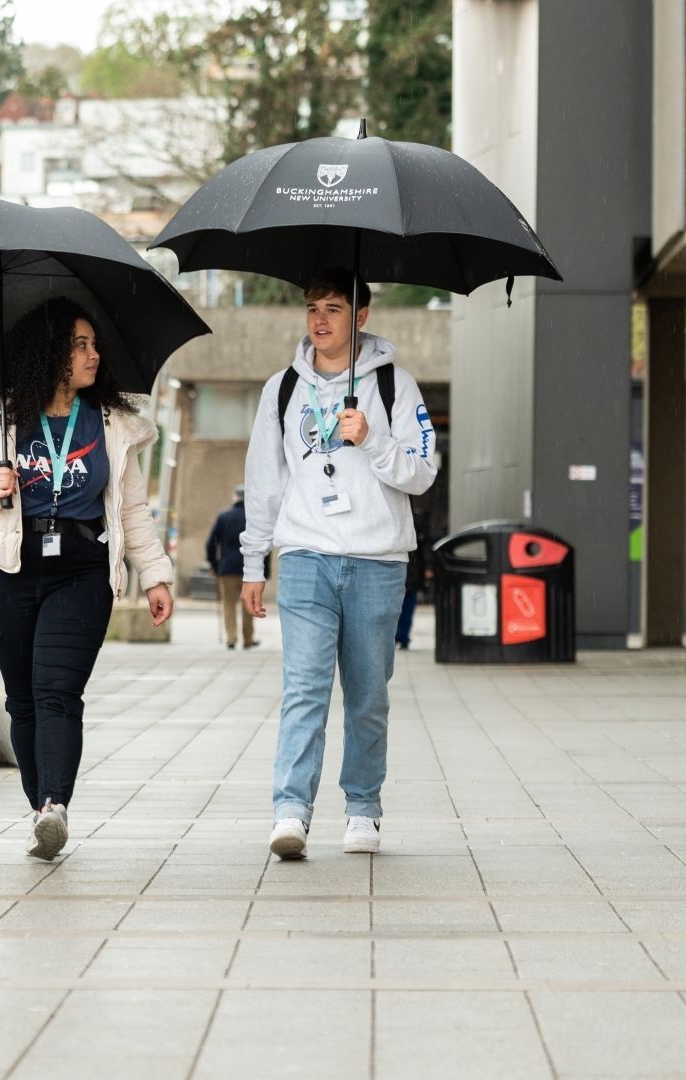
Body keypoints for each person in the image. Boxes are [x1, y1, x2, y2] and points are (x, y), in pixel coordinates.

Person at [0, 296, 175, 861]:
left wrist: (155, 575)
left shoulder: (111, 421)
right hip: (10, 568)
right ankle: (40, 812)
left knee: (56, 690)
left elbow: (132, 509)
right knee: (21, 702)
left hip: (81, 569)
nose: (94, 355)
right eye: (80, 345)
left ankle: (55, 805)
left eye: (95, 345)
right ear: (49, 352)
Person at [240, 268, 438, 860]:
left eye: (332, 307)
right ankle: (290, 811)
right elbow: (264, 482)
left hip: (378, 561)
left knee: (368, 694)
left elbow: (423, 474)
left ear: (361, 316)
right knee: (304, 685)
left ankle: (362, 810)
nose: (320, 319)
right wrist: (255, 560)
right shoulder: (281, 390)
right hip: (306, 557)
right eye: (311, 308)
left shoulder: (395, 386)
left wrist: (372, 439)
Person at [205, 486, 256, 650]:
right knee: (248, 603)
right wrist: (263, 570)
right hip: (249, 568)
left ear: (235, 497)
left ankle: (231, 638)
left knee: (228, 604)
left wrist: (214, 564)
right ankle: (248, 639)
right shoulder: (253, 517)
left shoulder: (224, 516)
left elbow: (211, 543)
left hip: (226, 568)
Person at [396, 507, 430, 650]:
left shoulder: (413, 521)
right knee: (405, 607)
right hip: (409, 570)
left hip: (407, 570)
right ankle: (402, 636)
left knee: (402, 607)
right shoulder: (416, 521)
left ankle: (401, 636)